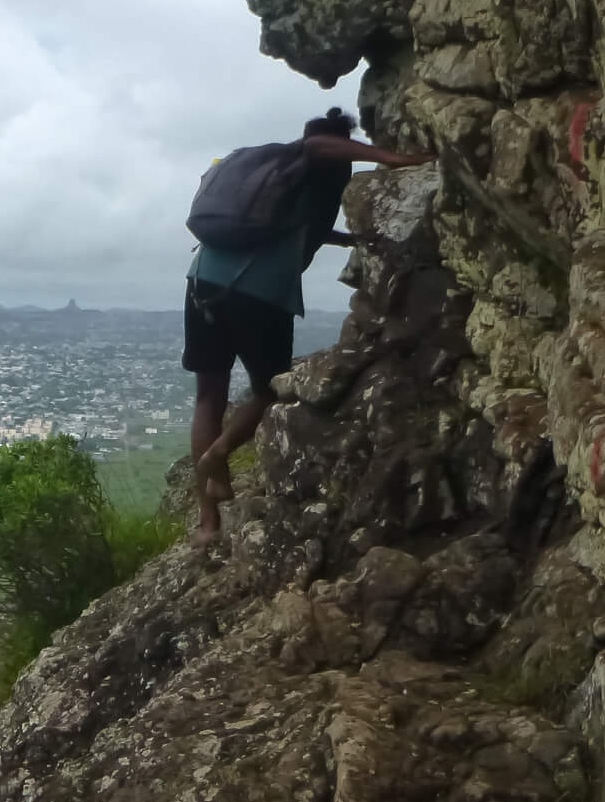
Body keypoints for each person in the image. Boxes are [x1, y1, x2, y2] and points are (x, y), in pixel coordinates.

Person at [184, 108, 431, 547]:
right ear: (341, 144)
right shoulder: (315, 157)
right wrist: (398, 158)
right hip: (255, 291)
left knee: (209, 392)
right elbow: (320, 145)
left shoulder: (281, 182)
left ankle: (209, 518)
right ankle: (217, 454)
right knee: (268, 388)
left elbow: (304, 227)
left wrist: (350, 240)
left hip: (203, 280)